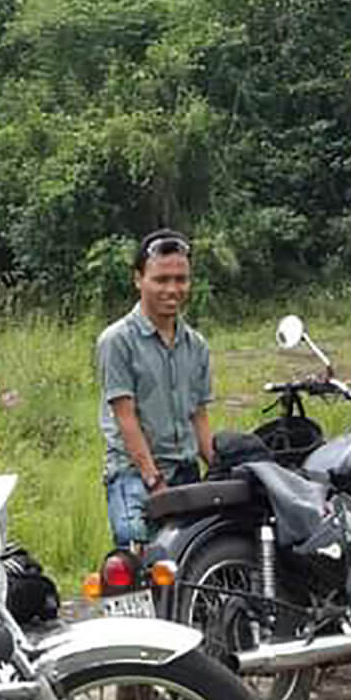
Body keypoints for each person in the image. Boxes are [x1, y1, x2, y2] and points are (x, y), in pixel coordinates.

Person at [97, 228, 215, 546]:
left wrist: (220, 469)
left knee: (198, 561)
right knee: (138, 560)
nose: (172, 289)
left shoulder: (196, 345)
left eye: (181, 279)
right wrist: (153, 480)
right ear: (139, 279)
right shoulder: (117, 341)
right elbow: (125, 418)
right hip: (135, 474)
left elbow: (199, 416)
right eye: (161, 280)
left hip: (186, 470)